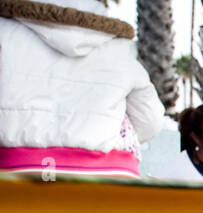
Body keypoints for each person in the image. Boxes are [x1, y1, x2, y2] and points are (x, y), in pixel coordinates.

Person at [0, 0, 163, 177]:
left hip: (19, 173)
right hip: (108, 175)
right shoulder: (119, 45)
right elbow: (150, 122)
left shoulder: (4, 31)